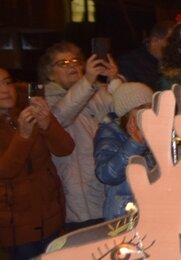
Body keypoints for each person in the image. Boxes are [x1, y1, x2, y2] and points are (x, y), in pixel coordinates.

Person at [0, 68, 75, 260]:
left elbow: (65, 148)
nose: (5, 89)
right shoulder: (18, 123)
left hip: (48, 207)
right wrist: (24, 135)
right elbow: (7, 171)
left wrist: (48, 123)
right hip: (16, 215)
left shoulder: (25, 111)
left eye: (6, 82)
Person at [40, 41, 122, 230]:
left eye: (75, 61)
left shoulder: (97, 91)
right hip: (75, 198)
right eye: (63, 63)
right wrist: (87, 81)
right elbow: (59, 117)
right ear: (49, 73)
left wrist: (114, 79)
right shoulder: (45, 98)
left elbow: (126, 110)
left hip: (107, 188)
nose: (72, 66)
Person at [94, 83, 155, 221]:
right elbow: (106, 174)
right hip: (125, 216)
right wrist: (134, 144)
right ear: (126, 114)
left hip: (152, 212)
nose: (148, 112)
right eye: (141, 108)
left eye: (151, 106)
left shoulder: (156, 131)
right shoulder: (110, 134)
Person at [117, 20, 175, 90]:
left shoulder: (177, 62)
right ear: (154, 41)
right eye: (171, 41)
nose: (176, 46)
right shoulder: (129, 63)